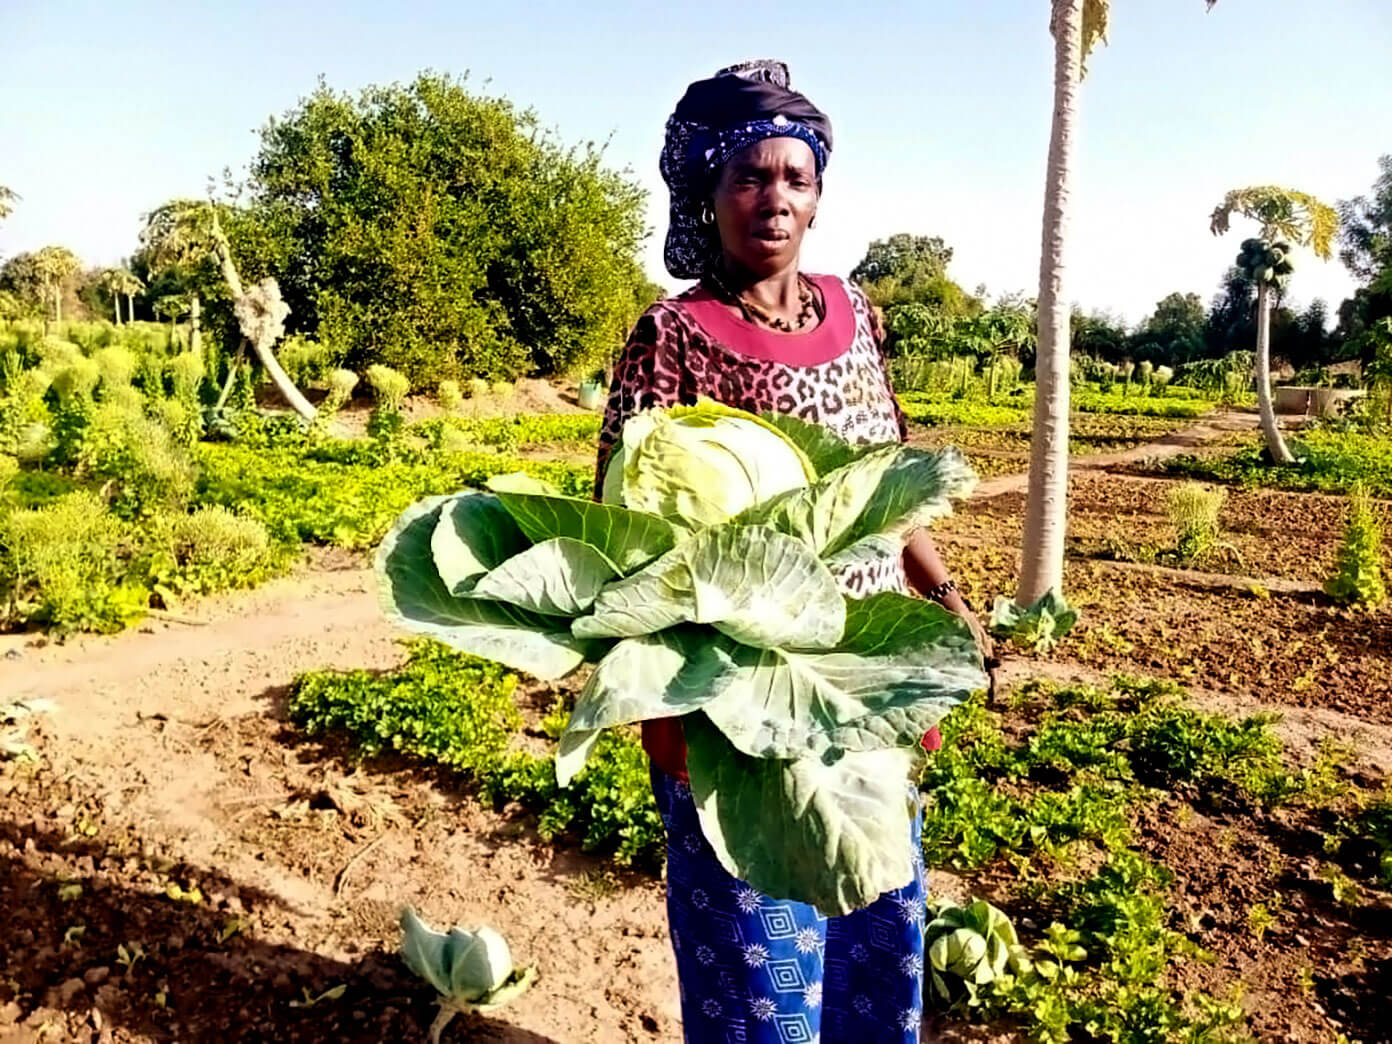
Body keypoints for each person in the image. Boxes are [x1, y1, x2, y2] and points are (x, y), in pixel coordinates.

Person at [595, 59, 996, 1043]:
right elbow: (626, 521)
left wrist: (944, 599)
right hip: (739, 704)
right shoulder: (672, 335)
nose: (772, 200)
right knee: (757, 978)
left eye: (794, 178)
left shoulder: (857, 317)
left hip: (864, 690)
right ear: (708, 192)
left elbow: (888, 487)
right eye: (746, 176)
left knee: (876, 940)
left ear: (819, 194)